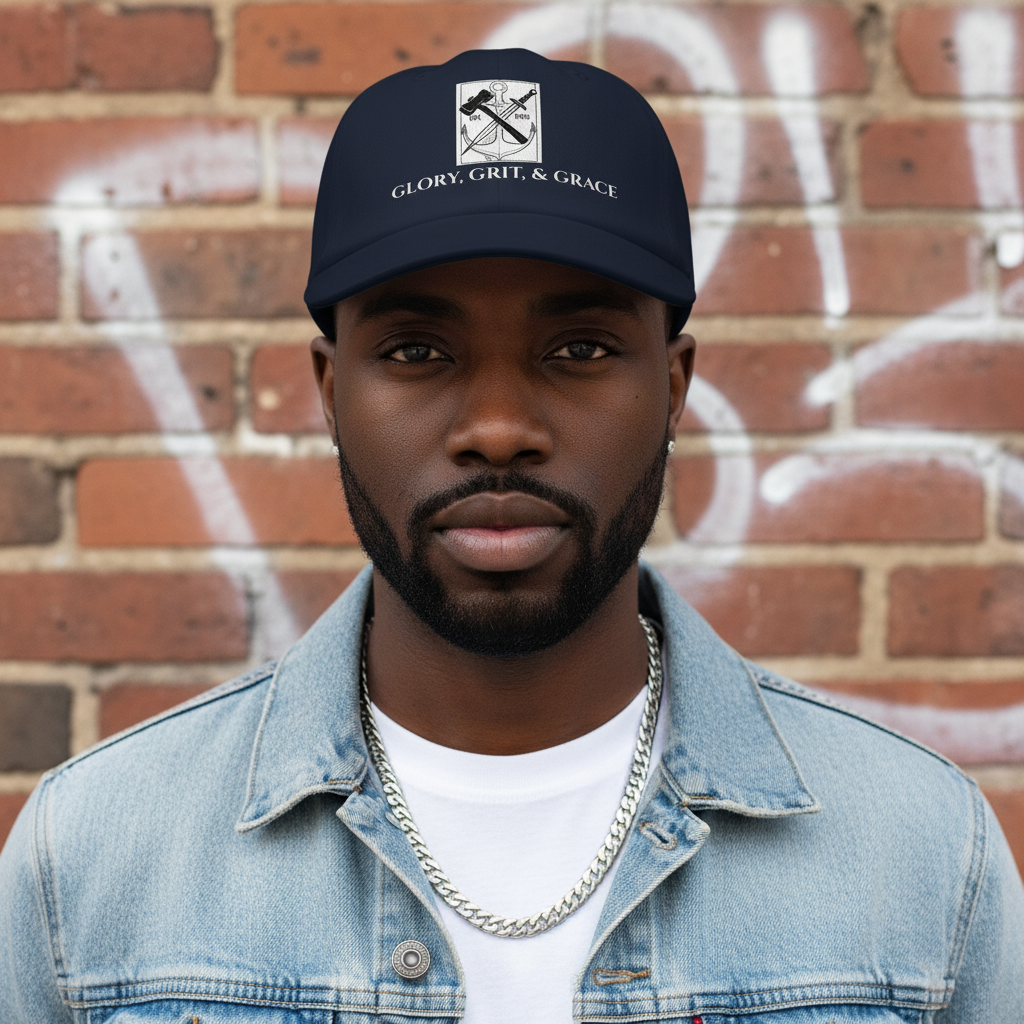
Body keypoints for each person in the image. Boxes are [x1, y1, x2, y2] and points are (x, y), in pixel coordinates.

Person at [1, 47, 1022, 1024]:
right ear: (329, 391)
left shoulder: (923, 858)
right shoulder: (89, 864)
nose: (497, 428)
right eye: (416, 350)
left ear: (673, 388)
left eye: (579, 348)